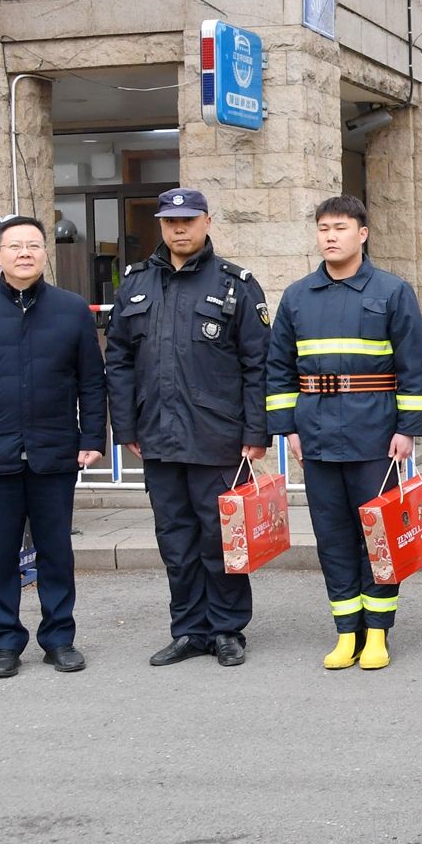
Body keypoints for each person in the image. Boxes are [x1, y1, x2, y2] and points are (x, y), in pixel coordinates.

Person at [0, 215, 106, 678]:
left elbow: (92, 381)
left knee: (56, 553)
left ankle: (59, 638)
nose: (24, 253)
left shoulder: (71, 310)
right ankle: (5, 641)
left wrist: (93, 436)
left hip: (54, 452)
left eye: (33, 245)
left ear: (45, 253)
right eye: (14, 246)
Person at [105, 188, 270, 668]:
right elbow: (119, 360)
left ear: (207, 223)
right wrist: (126, 427)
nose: (179, 228)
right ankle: (189, 629)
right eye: (170, 221)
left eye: (189, 220)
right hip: (157, 435)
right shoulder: (136, 282)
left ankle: (227, 629)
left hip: (219, 437)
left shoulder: (236, 284)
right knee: (175, 541)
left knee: (220, 538)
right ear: (161, 225)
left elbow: (257, 364)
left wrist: (256, 433)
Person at [266, 196, 422, 671]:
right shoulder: (297, 296)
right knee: (332, 537)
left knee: (380, 534)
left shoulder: (392, 291)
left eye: (340, 228)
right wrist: (288, 428)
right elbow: (279, 368)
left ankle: (377, 632)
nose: (331, 236)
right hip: (316, 434)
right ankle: (346, 632)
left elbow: (413, 366)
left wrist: (409, 429)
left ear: (362, 233)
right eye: (323, 229)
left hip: (376, 435)